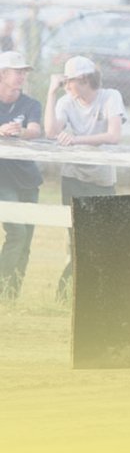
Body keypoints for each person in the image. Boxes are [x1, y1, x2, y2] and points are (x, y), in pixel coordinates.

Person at [43, 56, 125, 302]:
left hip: (102, 179)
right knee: (76, 239)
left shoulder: (110, 96)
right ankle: (67, 294)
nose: (66, 86)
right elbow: (50, 131)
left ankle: (96, 295)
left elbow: (113, 136)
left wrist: (75, 140)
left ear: (84, 80)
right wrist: (50, 94)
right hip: (73, 178)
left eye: (70, 81)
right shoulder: (66, 102)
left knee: (104, 238)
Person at [0, 51, 43, 300]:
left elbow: (35, 130)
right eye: (17, 71)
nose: (22, 76)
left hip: (27, 177)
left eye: (24, 72)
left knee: (26, 239)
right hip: (3, 179)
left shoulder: (30, 104)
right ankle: (3, 292)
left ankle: (11, 296)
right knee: (16, 232)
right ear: (3, 74)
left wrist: (20, 132)